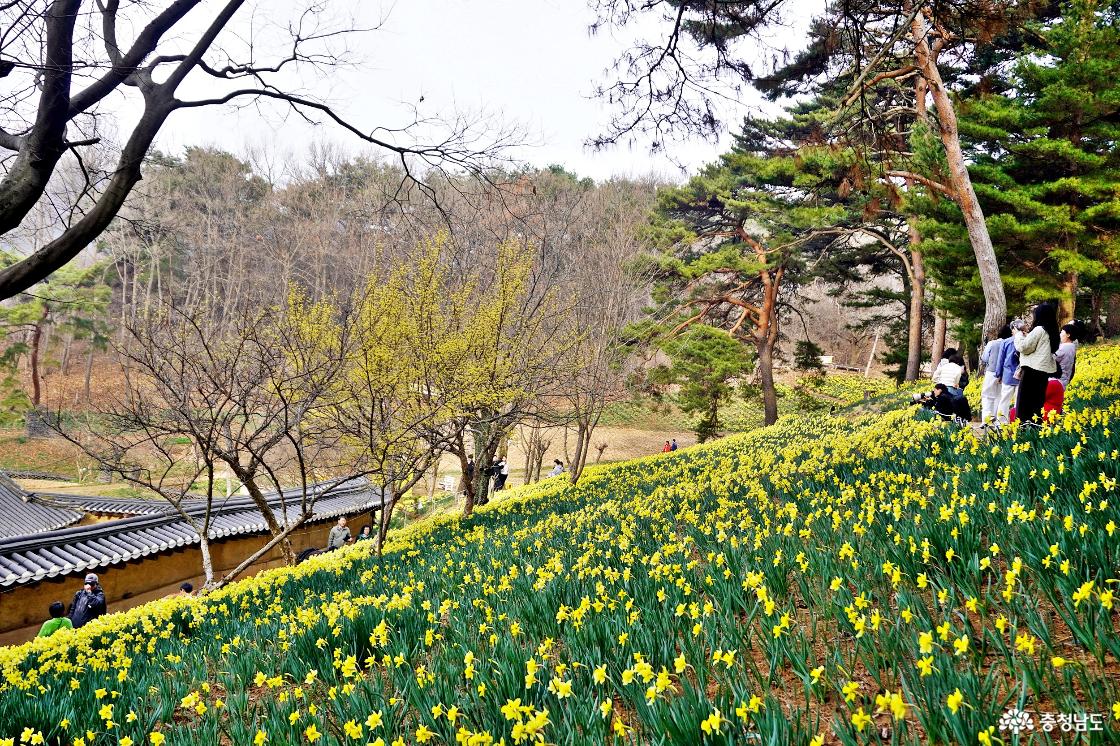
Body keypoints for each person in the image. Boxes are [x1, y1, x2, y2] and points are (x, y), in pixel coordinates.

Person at [1014, 302, 1060, 425]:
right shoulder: (1052, 330)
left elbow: (1023, 347)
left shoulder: (1039, 329)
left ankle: (1024, 433)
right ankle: (1035, 431)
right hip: (1043, 372)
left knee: (1024, 406)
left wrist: (1018, 335)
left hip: (1031, 371)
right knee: (1036, 405)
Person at [980, 325, 1012, 423]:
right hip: (1004, 374)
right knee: (1000, 396)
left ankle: (986, 419)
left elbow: (984, 358)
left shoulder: (992, 343)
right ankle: (997, 419)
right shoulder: (1010, 343)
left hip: (991, 372)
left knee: (987, 395)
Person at [995, 319, 1025, 423]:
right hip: (1022, 375)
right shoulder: (1026, 340)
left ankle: (1001, 423)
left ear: (1013, 329)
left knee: (1004, 401)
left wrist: (998, 374)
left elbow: (1001, 360)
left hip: (1008, 375)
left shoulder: (1006, 342)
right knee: (1019, 401)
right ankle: (1017, 422)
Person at [1056, 323, 1079, 390]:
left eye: (1062, 332)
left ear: (1068, 335)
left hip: (1058, 380)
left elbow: (1051, 359)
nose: (1060, 335)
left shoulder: (1064, 348)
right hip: (1064, 380)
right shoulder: (1072, 347)